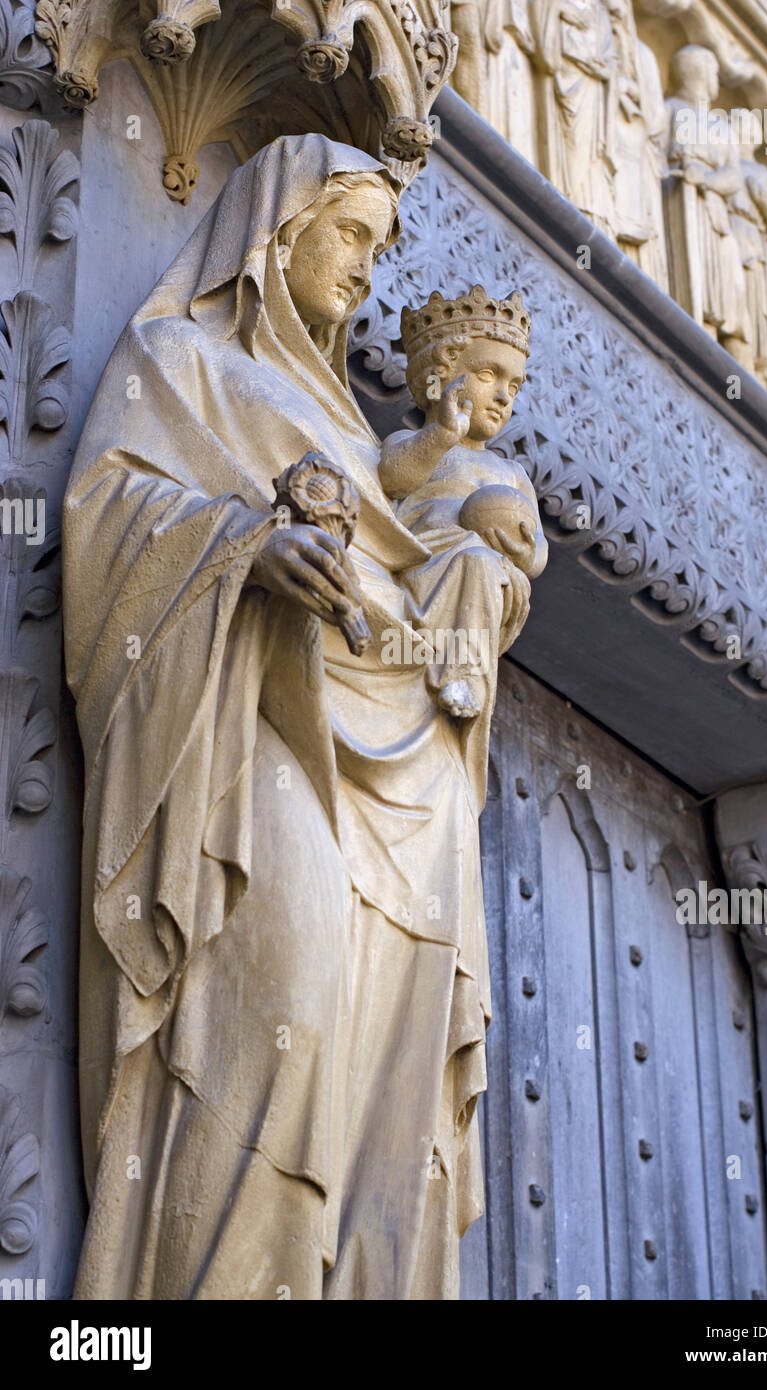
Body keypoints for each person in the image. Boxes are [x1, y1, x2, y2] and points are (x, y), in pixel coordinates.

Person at [63, 134, 533, 1300]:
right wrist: (247, 550)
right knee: (288, 994)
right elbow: (109, 515)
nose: (370, 269)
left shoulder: (357, 436)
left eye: (383, 244)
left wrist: (477, 575)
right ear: (280, 224)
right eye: (354, 233)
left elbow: (401, 587)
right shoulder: (179, 360)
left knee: (382, 1076)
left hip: (399, 772)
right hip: (249, 731)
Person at [379, 286, 546, 724]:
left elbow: (537, 557)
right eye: (489, 374)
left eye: (515, 385)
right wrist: (440, 437)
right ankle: (459, 673)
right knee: (474, 559)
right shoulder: (415, 444)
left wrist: (527, 550)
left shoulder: (512, 474)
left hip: (493, 581)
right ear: (438, 377)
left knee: (482, 563)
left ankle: (467, 673)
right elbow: (393, 478)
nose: (505, 396)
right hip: (425, 567)